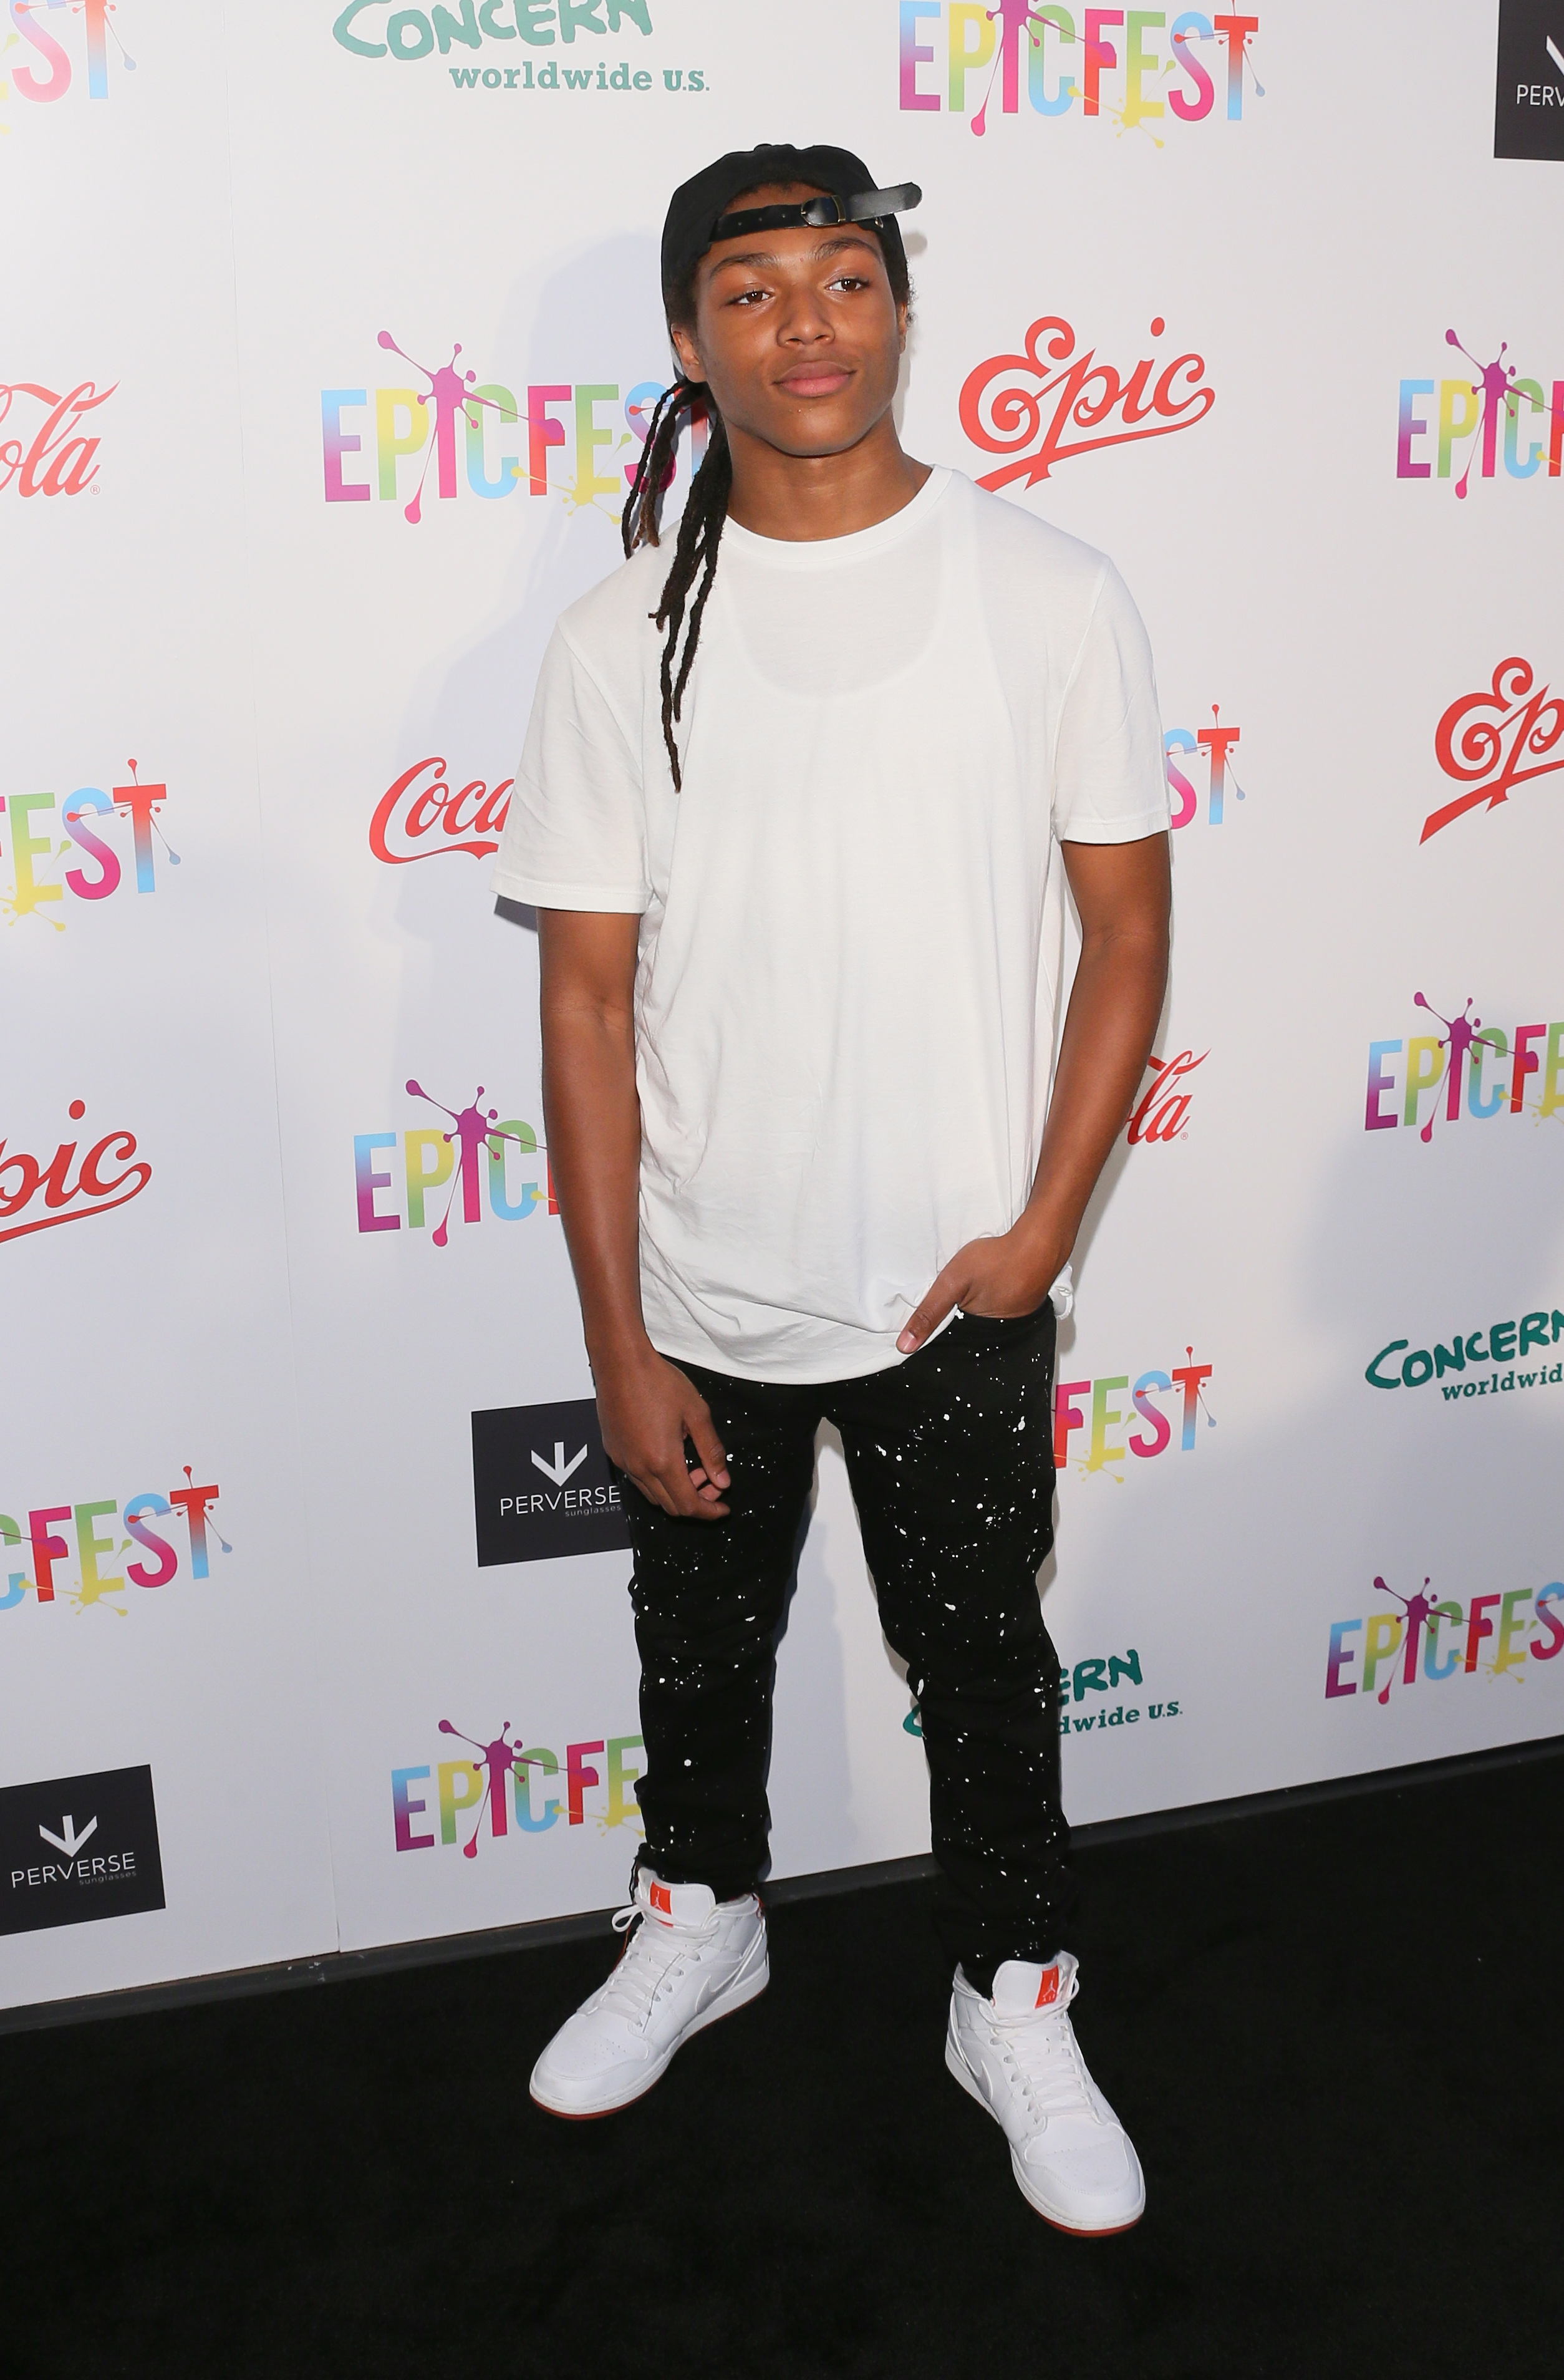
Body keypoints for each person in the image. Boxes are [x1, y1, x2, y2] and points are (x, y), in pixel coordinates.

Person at [493, 143, 1171, 2237]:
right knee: (693, 1660)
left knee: (984, 1672)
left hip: (953, 1292)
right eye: (754, 287)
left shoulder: (1051, 593)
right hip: (702, 1292)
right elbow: (588, 1009)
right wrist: (615, 1335)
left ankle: (1010, 1992)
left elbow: (1125, 938)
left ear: (897, 308)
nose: (806, 322)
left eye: (845, 277)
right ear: (691, 346)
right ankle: (703, 1912)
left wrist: (1042, 1234)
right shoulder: (619, 640)